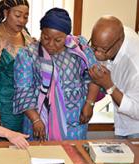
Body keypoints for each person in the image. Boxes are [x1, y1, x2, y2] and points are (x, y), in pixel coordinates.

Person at [13, 7, 100, 141]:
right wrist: (36, 120)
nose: (50, 44)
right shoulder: (28, 54)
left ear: (66, 36)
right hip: (40, 123)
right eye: (46, 38)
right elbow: (23, 91)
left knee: (73, 159)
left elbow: (95, 77)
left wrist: (90, 104)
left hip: (75, 123)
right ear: (41, 32)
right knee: (41, 159)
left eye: (58, 40)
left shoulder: (80, 48)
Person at [88, 15, 139, 139]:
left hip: (135, 126)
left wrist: (109, 86)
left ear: (119, 42)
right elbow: (98, 71)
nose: (97, 54)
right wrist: (90, 103)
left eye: (103, 49)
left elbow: (137, 110)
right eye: (94, 47)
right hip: (121, 119)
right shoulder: (108, 40)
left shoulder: (135, 65)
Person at [0, 0, 34, 134]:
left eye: (26, 16)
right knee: (2, 147)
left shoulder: (25, 34)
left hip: (26, 103)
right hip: (2, 104)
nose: (22, 20)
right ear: (6, 13)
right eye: (18, 15)